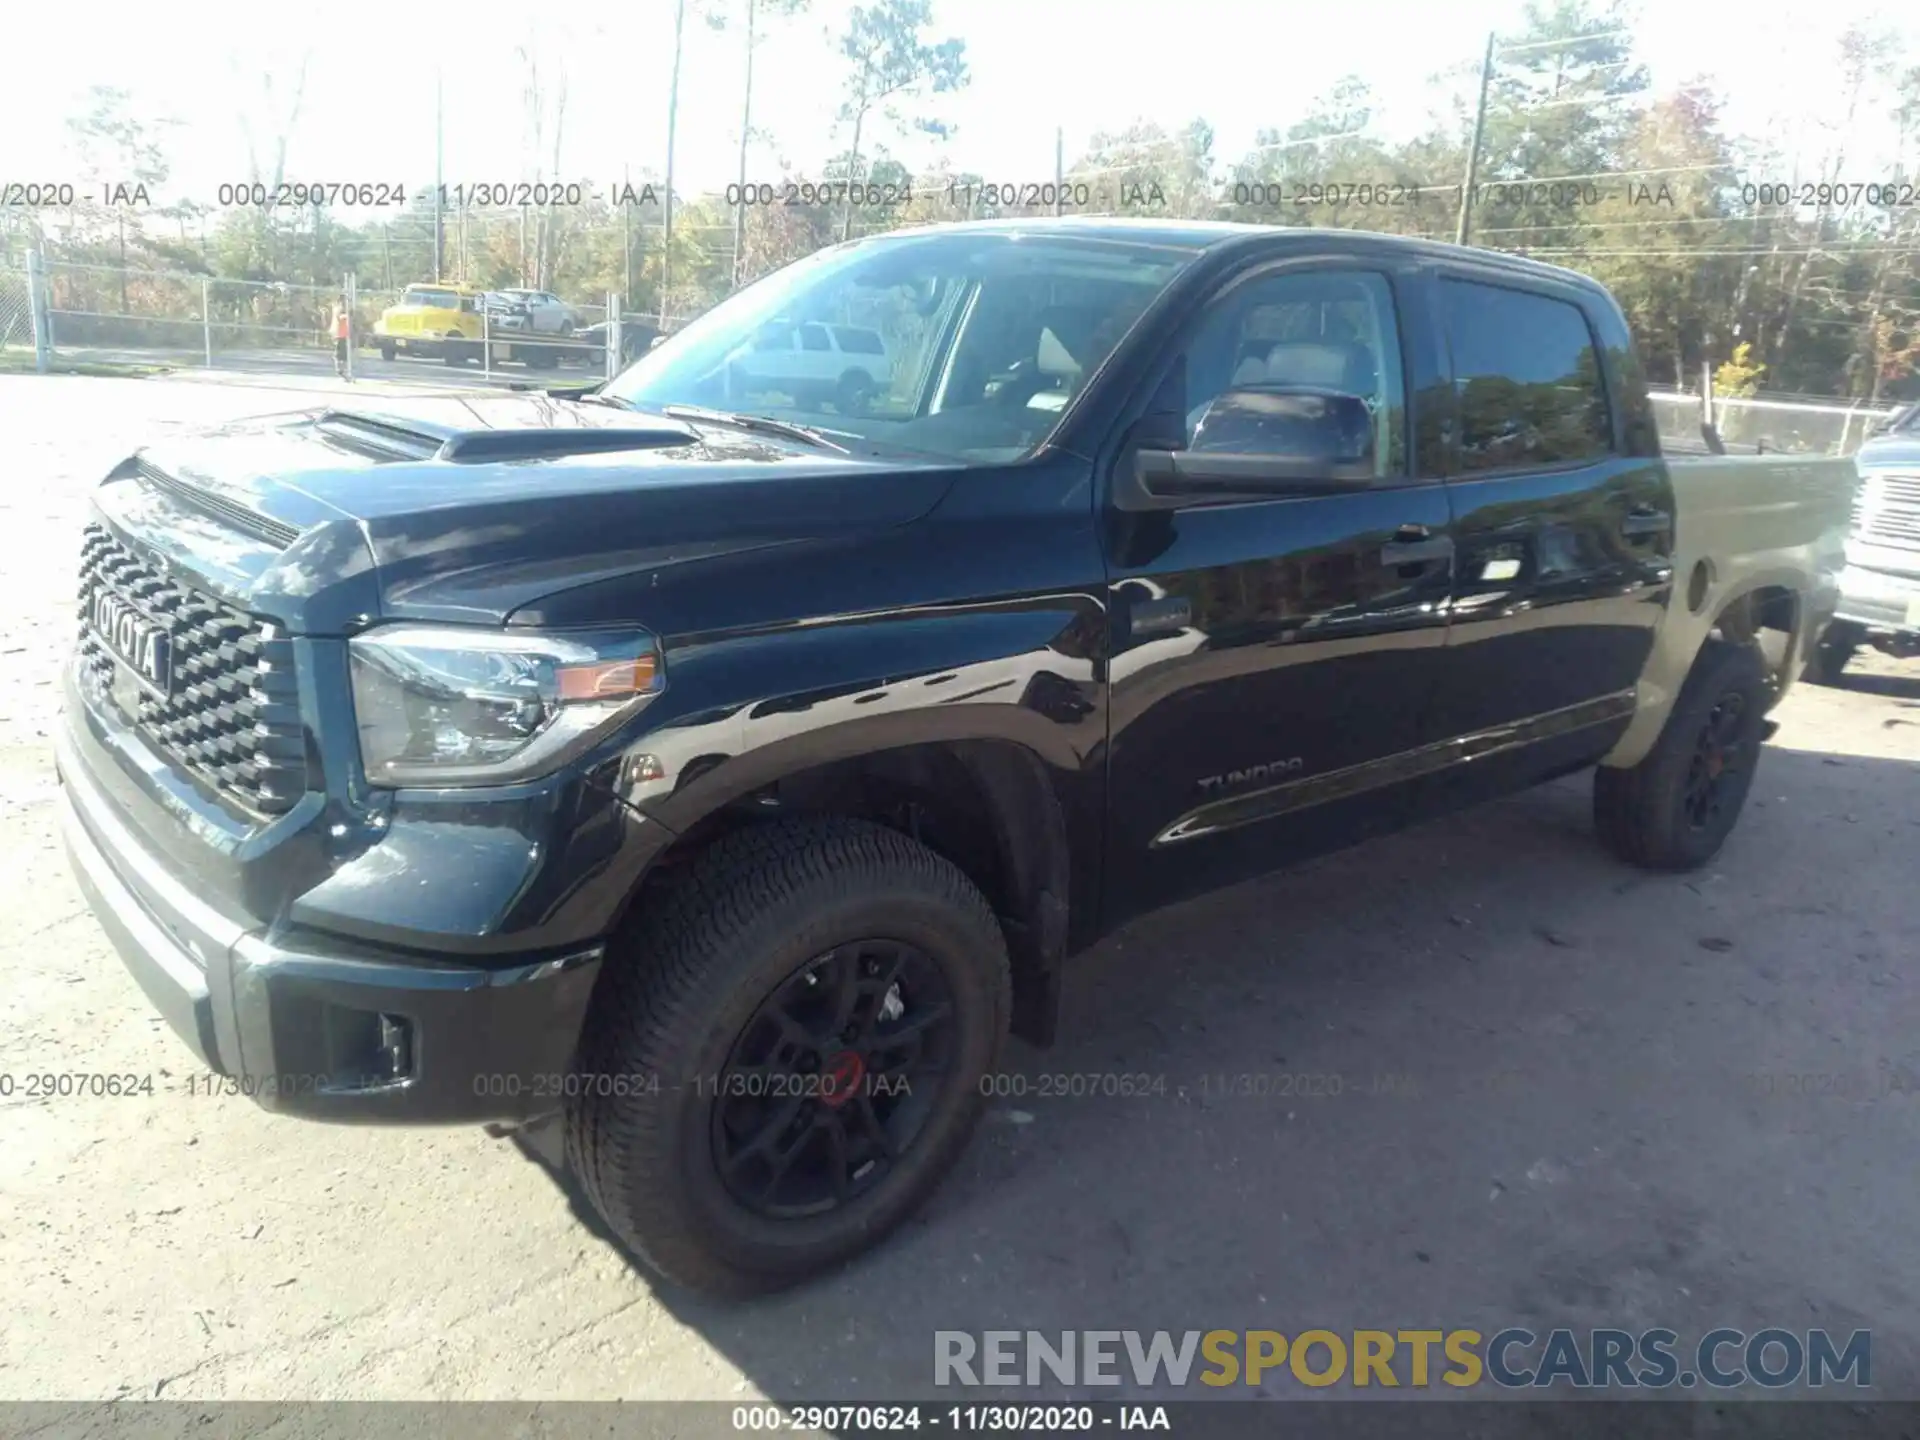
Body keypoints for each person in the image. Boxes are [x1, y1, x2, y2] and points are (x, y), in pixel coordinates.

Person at [331, 299, 351, 377]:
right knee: (339, 353)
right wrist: (348, 315)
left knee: (343, 353)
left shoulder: (340, 309)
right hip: (339, 334)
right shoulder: (339, 309)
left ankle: (342, 369)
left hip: (342, 334)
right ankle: (339, 369)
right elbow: (341, 317)